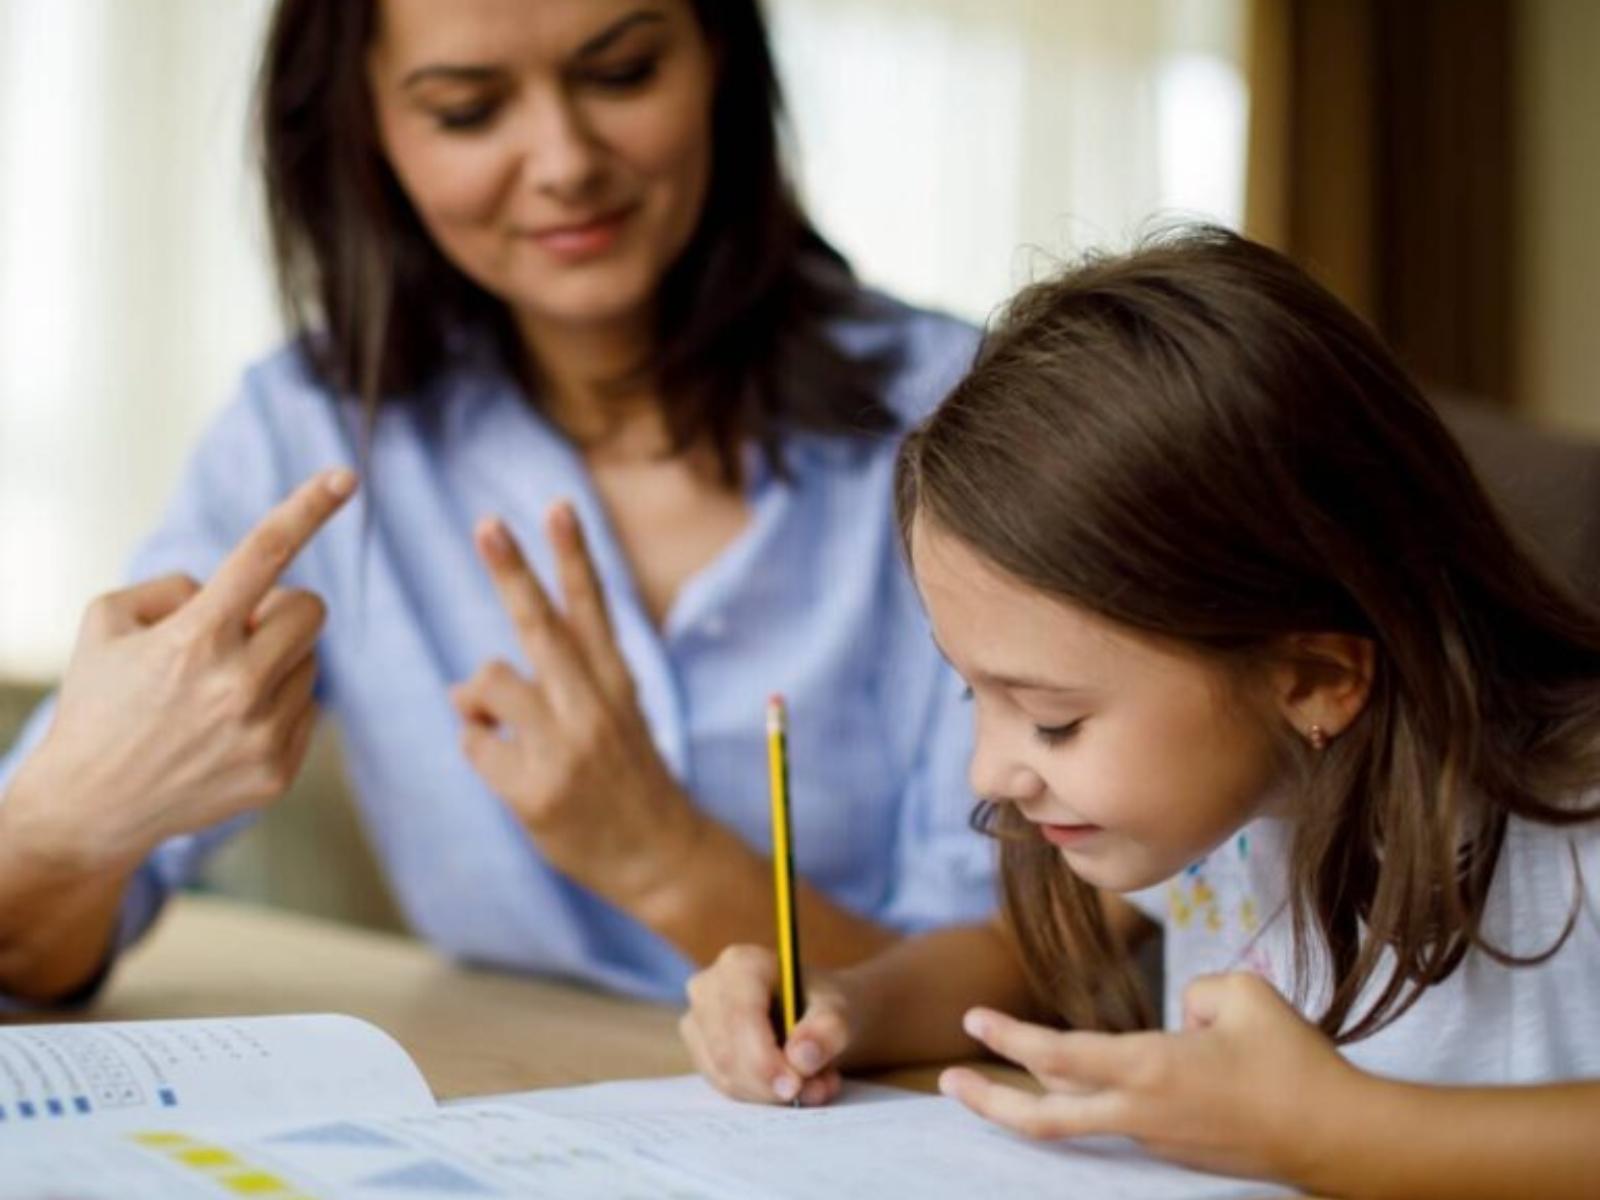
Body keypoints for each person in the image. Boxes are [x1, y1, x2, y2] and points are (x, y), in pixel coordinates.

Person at [0, 0, 993, 1006]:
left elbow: (1041, 967)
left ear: (721, 62)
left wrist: (662, 859)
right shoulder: (309, 433)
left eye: (623, 74)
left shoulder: (969, 415)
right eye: (469, 112)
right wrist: (65, 821)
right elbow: (30, 954)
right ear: (365, 129)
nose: (563, 161)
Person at [680, 227, 1600, 1197]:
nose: (986, 773)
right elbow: (1008, 958)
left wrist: (1333, 1133)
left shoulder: (1574, 827)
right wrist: (842, 1006)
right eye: (973, 695)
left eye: (1054, 720)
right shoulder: (1230, 812)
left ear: (1314, 678)